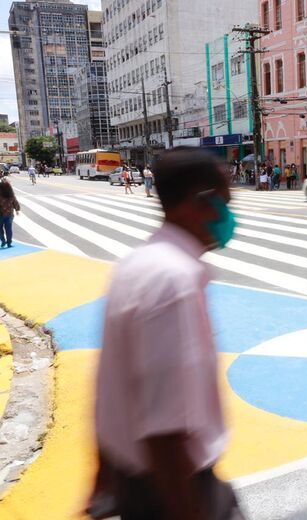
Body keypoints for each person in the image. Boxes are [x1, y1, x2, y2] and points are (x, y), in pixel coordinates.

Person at [90, 147, 243, 520]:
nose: (230, 218)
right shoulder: (174, 281)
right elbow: (166, 430)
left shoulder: (137, 264)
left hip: (138, 482)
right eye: (225, 204)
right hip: (175, 488)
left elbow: (112, 383)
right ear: (201, 202)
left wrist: (103, 477)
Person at [0, 179, 20, 248]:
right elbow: (15, 202)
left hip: (1, 214)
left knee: (0, 229)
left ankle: (3, 241)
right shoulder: (11, 194)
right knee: (9, 229)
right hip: (9, 214)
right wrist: (17, 210)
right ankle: (9, 243)